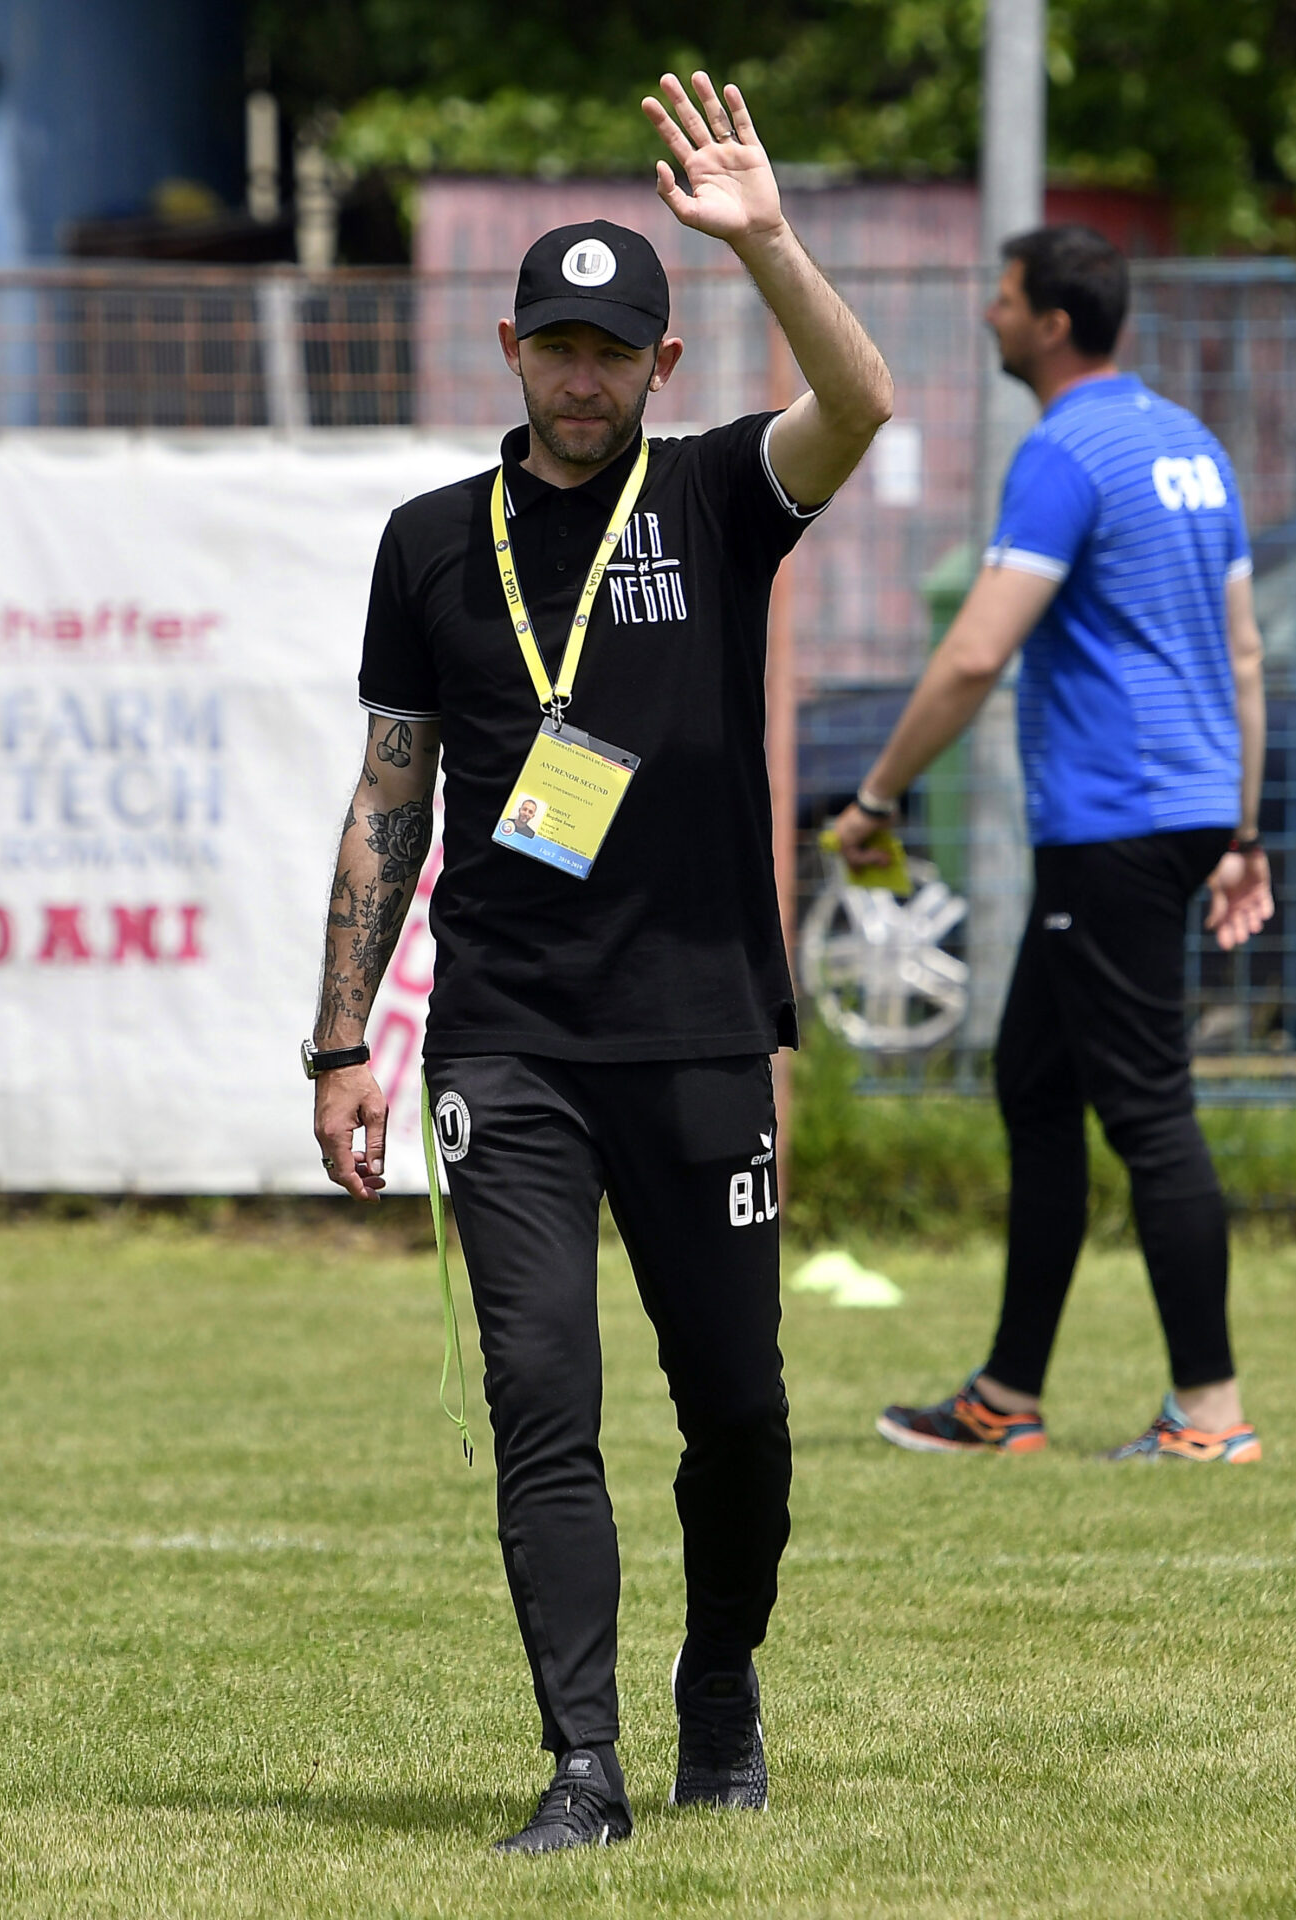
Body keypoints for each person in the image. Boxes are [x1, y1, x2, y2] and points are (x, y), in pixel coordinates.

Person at [305, 72, 891, 1854]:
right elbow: (389, 797)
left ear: (664, 366)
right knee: (538, 1392)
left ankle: (721, 1680)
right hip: (511, 1047)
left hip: (704, 1030)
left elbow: (859, 405)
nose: (581, 375)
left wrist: (770, 241)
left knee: (739, 1411)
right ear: (509, 347)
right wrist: (342, 1043)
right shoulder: (426, 545)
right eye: (555, 345)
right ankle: (584, 1763)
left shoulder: (721, 499)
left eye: (611, 349)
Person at [835, 224, 1275, 1468]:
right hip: (1182, 810)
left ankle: (1210, 1415)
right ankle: (1004, 1398)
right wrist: (1241, 829)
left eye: (1005, 296)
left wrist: (875, 796)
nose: (987, 313)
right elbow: (1243, 654)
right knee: (1034, 1083)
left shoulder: (1064, 452)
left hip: (1116, 821)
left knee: (1146, 1112)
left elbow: (976, 651)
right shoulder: (1190, 445)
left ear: (1053, 323)